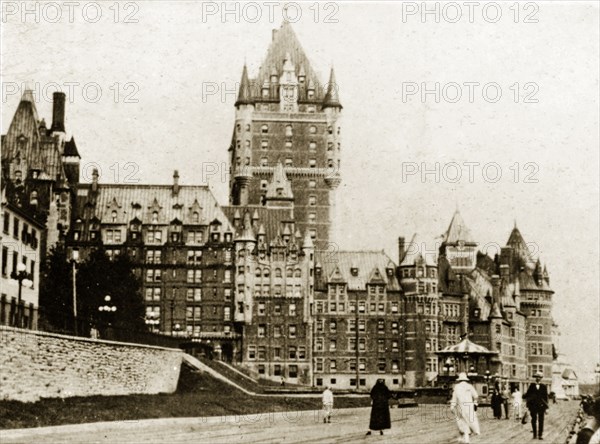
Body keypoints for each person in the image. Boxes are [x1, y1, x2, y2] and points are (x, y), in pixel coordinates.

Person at [450, 372, 481, 444]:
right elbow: (476, 396)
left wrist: (452, 407)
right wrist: (475, 403)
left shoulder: (456, 387)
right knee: (470, 421)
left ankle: (465, 438)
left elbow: (454, 398)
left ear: (459, 380)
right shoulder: (470, 386)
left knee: (463, 422)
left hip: (460, 407)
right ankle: (468, 437)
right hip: (469, 407)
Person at [524, 371, 549, 440]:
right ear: (535, 378)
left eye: (539, 377)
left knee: (541, 420)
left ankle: (540, 434)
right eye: (536, 377)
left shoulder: (544, 386)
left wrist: (546, 407)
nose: (538, 378)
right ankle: (535, 434)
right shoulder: (531, 386)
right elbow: (528, 394)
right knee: (533, 420)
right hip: (533, 406)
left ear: (541, 378)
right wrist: (524, 397)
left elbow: (545, 397)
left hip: (541, 406)